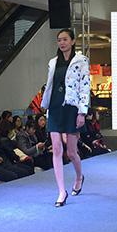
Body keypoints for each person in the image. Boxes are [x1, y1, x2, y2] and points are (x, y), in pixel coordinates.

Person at [40, 28, 90, 207]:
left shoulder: (81, 60)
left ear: (73, 41)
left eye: (65, 39)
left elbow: (85, 86)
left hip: (71, 108)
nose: (62, 43)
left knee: (71, 152)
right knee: (56, 148)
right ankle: (61, 191)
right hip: (54, 107)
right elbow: (50, 85)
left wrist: (82, 112)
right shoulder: (53, 62)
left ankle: (79, 177)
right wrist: (45, 106)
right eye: (59, 40)